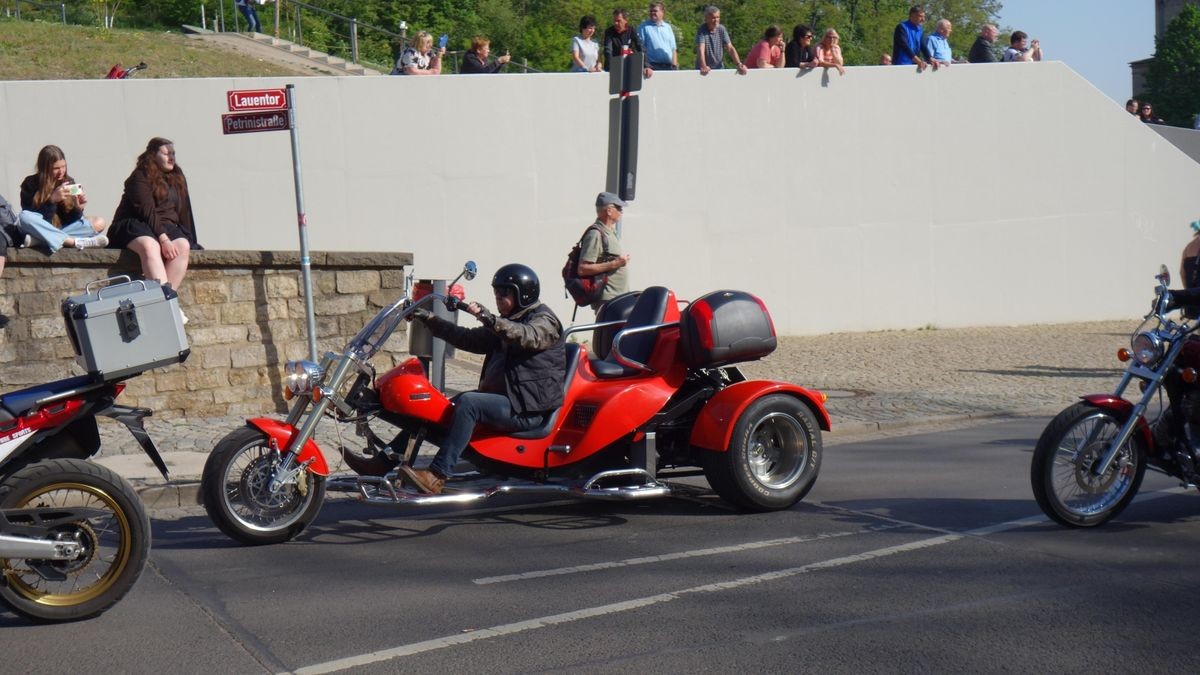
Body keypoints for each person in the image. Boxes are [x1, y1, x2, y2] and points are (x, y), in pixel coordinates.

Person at [396, 264, 567, 495]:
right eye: (496, 292)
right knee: (433, 404)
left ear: (522, 294)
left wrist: (490, 319)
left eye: (504, 293)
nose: (498, 298)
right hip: (506, 402)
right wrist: (428, 318)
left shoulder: (544, 321)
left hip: (527, 410)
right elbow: (467, 338)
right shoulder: (508, 320)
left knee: (470, 405)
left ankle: (437, 475)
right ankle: (386, 461)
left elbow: (527, 336)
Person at [108, 137, 201, 308]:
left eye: (173, 153)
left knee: (182, 245)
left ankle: (164, 303)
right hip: (135, 224)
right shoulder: (139, 176)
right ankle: (168, 305)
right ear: (153, 155)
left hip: (165, 226)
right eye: (166, 154)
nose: (171, 157)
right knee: (151, 246)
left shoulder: (176, 176)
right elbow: (147, 211)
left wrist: (191, 239)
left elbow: (184, 211)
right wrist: (164, 239)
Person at [18, 145, 108, 253]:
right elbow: (35, 219)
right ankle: (73, 242)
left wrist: (78, 208)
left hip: (62, 229)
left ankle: (39, 241)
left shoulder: (69, 182)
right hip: (39, 228)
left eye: (63, 166)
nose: (61, 171)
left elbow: (70, 220)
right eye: (56, 168)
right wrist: (51, 200)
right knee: (24, 217)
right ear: (45, 168)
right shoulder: (30, 183)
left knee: (99, 222)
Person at [578, 192, 631, 312]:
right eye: (619, 208)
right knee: (609, 331)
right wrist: (615, 264)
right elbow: (583, 269)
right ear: (609, 210)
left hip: (618, 298)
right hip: (608, 301)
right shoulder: (596, 234)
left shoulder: (609, 231)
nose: (621, 211)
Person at [696, 6, 747, 75]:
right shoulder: (702, 30)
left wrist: (739, 64)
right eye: (713, 18)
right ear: (706, 19)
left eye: (718, 17)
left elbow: (730, 48)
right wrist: (703, 66)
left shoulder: (721, 29)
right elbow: (701, 49)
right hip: (704, 71)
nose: (716, 20)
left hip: (719, 68)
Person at [638, 2, 678, 73]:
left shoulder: (668, 27)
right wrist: (646, 66)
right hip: (652, 68)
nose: (652, 13)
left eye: (655, 11)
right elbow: (640, 49)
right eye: (651, 11)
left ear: (662, 12)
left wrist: (674, 66)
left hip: (669, 67)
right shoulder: (643, 27)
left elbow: (673, 48)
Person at [892, 5, 927, 72]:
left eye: (924, 16)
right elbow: (904, 45)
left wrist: (930, 58)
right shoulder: (901, 27)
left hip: (914, 64)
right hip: (901, 64)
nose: (923, 19)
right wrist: (918, 60)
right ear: (912, 16)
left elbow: (923, 46)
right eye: (920, 16)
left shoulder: (920, 29)